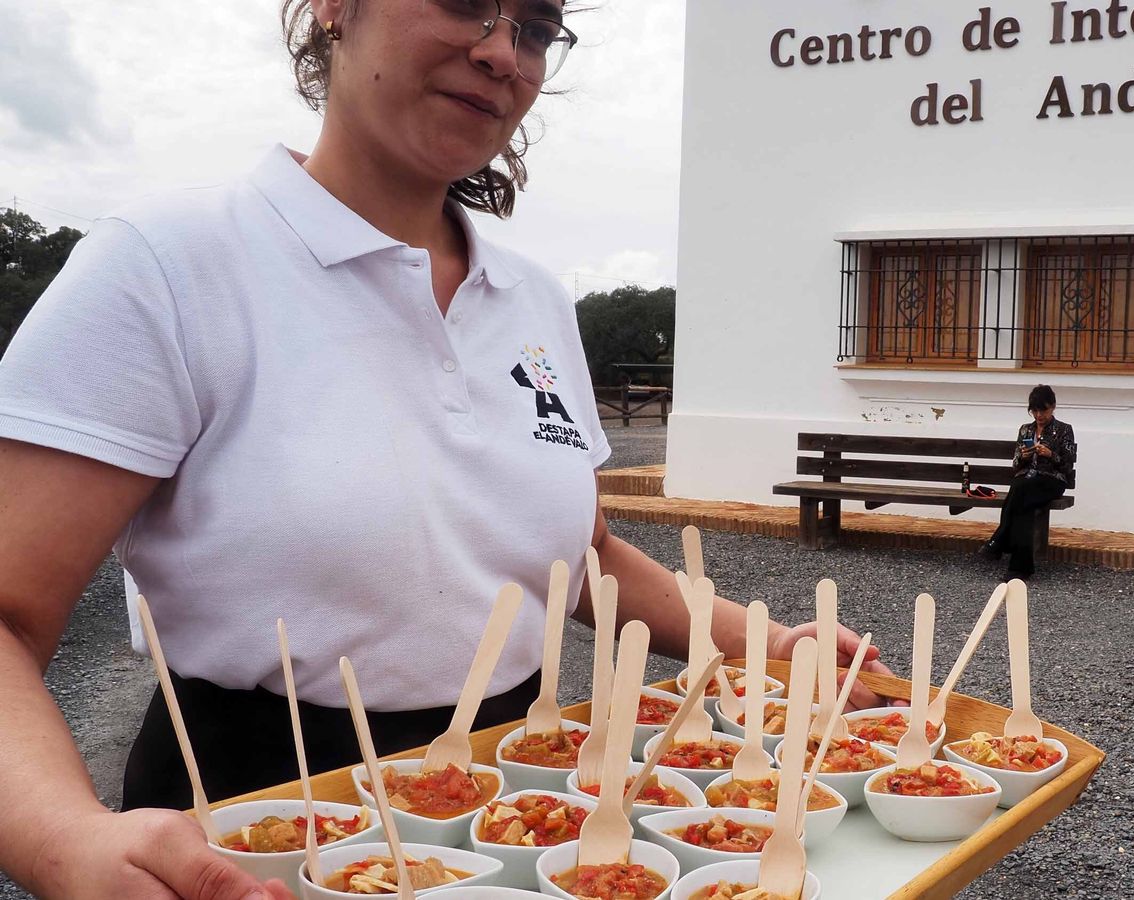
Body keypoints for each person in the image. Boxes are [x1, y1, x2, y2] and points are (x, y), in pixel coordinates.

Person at [0, 3, 895, 897]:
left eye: (537, 29)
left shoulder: (534, 302)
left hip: (517, 807)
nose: (504, 52)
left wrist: (768, 646)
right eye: (467, 3)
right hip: (251, 817)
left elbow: (580, 560)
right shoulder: (166, 264)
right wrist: (64, 838)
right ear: (332, 11)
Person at [980, 384, 1075, 580]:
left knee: (1019, 489)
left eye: (1044, 410)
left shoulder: (1064, 430)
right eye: (1035, 411)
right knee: (1022, 502)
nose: (1039, 415)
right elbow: (1015, 465)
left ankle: (998, 541)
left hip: (1051, 481)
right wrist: (1023, 456)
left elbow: (1067, 465)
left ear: (1053, 407)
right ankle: (1019, 569)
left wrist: (1050, 454)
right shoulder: (1025, 430)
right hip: (1026, 482)